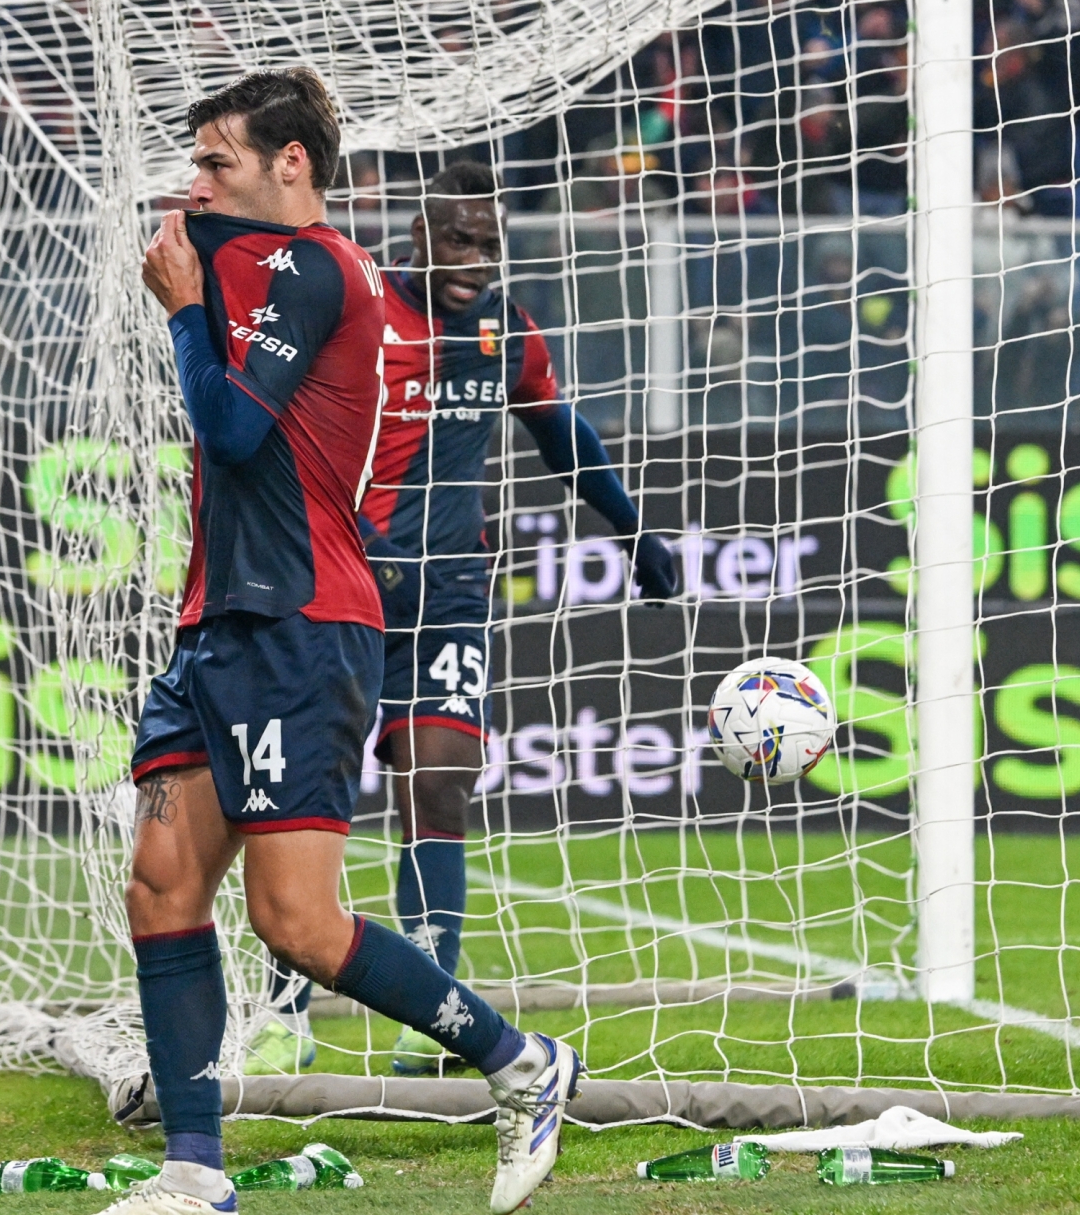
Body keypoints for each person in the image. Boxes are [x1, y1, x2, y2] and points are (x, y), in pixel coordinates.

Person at [101, 70, 574, 1215]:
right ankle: (194, 1173)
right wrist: (190, 248)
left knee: (298, 924)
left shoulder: (316, 273)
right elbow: (196, 244)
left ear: (292, 165)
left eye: (219, 162)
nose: (197, 183)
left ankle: (524, 1064)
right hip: (218, 627)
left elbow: (228, 424)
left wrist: (177, 309)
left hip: (302, 626)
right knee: (162, 882)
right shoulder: (254, 254)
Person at [245, 161, 680, 1082]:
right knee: (305, 807)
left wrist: (635, 532)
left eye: (491, 242)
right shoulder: (359, 311)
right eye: (459, 239)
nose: (476, 259)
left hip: (447, 599)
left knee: (437, 787)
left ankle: (433, 1009)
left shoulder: (505, 334)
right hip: (339, 589)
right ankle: (283, 1011)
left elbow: (567, 438)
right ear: (418, 235)